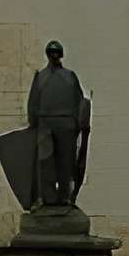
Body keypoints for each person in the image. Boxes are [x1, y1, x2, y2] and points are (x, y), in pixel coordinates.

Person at [26, 40, 91, 210]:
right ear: (47, 54)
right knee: (45, 162)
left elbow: (79, 100)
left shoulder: (70, 76)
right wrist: (33, 123)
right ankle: (47, 198)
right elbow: (33, 102)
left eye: (56, 52)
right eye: (51, 52)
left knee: (66, 162)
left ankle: (64, 197)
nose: (54, 55)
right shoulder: (40, 77)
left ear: (60, 55)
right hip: (45, 124)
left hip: (66, 125)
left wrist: (79, 123)